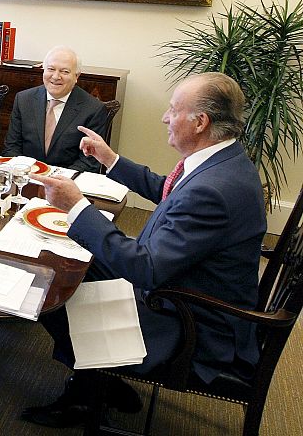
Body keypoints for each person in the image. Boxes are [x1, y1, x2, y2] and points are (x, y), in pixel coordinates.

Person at [22, 72, 266, 428]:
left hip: (191, 321)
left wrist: (76, 207)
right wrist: (111, 160)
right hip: (182, 285)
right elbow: (167, 190)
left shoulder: (213, 190)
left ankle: (87, 392)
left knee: (53, 286)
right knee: (69, 262)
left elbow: (146, 270)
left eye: (173, 110)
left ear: (200, 122)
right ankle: (98, 379)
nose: (165, 117)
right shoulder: (220, 160)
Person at [3, 46, 106, 172]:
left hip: (67, 181)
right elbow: (12, 147)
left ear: (76, 76)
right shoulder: (24, 99)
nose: (56, 76)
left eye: (65, 72)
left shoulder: (93, 109)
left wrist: (58, 180)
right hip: (25, 177)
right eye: (51, 69)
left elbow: (89, 161)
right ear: (43, 70)